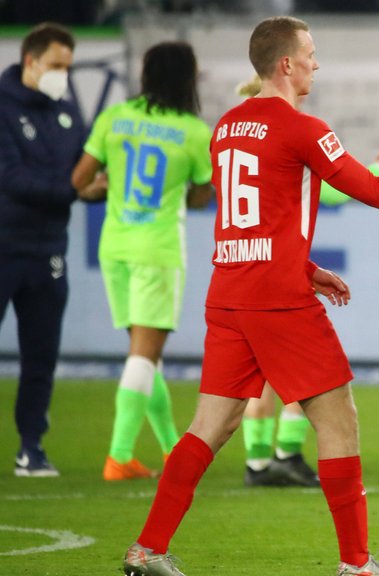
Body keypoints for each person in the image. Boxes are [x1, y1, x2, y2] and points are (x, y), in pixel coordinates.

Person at [119, 15, 379, 576]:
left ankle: (147, 549)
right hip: (277, 304)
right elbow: (378, 192)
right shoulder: (303, 128)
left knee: (211, 425)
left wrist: (307, 267)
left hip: (230, 295)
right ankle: (357, 566)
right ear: (286, 63)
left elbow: (248, 223)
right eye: (310, 52)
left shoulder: (226, 128)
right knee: (338, 423)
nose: (317, 62)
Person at [232, 74, 379, 488]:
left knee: (258, 379)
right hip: (280, 278)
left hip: (242, 271)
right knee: (312, 375)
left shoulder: (234, 133)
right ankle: (288, 453)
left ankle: (257, 462)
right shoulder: (294, 132)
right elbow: (336, 191)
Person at [71, 41, 213, 482]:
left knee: (144, 355)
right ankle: (118, 455)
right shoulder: (193, 131)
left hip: (115, 246)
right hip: (157, 250)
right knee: (143, 355)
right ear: (188, 80)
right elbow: (203, 195)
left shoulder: (115, 118)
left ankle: (173, 449)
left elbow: (79, 182)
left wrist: (108, 186)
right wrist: (180, 191)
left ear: (146, 76)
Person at [0, 22, 95, 477]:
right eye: (57, 66)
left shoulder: (65, 109)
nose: (63, 75)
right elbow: (12, 179)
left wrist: (96, 188)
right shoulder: (1, 106)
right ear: (31, 61)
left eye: (68, 67)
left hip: (48, 250)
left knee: (41, 355)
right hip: (4, 245)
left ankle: (30, 446)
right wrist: (73, 190)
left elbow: (84, 164)